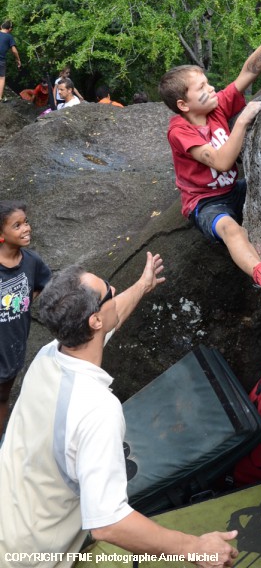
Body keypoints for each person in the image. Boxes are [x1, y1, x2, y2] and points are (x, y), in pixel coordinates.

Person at [0, 252, 238, 568]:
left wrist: (142, 285)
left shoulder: (49, 356)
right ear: (94, 321)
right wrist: (195, 548)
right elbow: (108, 523)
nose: (114, 290)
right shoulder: (97, 410)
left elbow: (108, 320)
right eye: (108, 291)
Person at [158, 20, 261, 302]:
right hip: (205, 202)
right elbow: (221, 162)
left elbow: (249, 72)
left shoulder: (214, 107)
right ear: (183, 104)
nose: (212, 88)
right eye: (202, 87)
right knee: (230, 228)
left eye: (208, 82)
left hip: (232, 189)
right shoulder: (180, 131)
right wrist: (242, 121)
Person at [0, 200, 51, 438]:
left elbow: (44, 283)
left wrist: (24, 300)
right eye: (17, 225)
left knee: (3, 396)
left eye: (26, 222)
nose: (26, 228)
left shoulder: (32, 261)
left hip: (12, 348)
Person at [0, 19, 21, 102]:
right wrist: (18, 60)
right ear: (10, 29)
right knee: (1, 78)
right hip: (1, 60)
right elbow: (14, 50)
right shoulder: (9, 37)